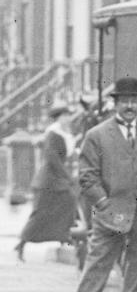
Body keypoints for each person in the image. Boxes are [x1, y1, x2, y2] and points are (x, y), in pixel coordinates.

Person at [70, 78, 137, 292]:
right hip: (113, 211)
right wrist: (102, 203)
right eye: (125, 101)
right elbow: (87, 176)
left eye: (134, 101)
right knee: (100, 259)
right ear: (116, 104)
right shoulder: (97, 136)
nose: (130, 106)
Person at [14, 104, 82, 261]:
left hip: (56, 180)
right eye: (64, 116)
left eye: (68, 115)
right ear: (58, 118)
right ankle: (22, 243)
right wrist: (68, 177)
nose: (67, 118)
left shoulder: (64, 133)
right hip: (47, 180)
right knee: (41, 214)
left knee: (68, 204)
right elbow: (53, 159)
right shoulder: (53, 133)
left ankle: (64, 236)